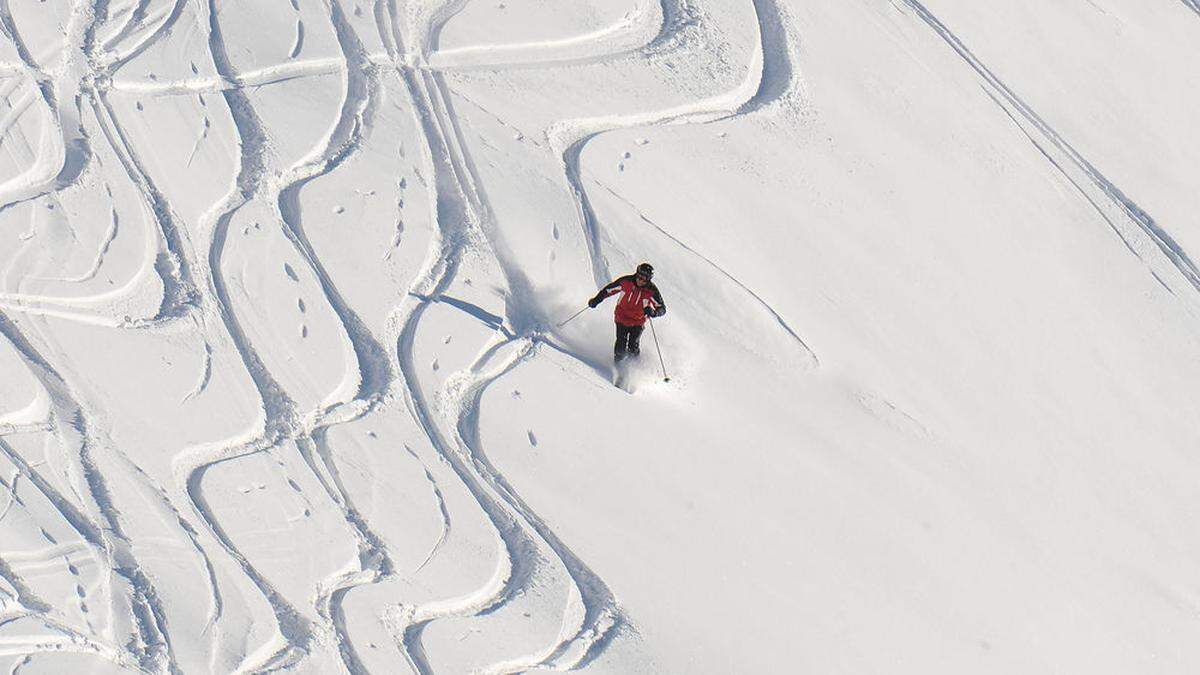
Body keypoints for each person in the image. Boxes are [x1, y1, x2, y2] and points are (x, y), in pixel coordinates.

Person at [588, 262, 666, 362]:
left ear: (648, 279)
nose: (640, 280)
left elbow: (662, 309)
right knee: (621, 343)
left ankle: (634, 368)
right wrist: (596, 300)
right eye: (639, 276)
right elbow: (608, 290)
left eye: (644, 279)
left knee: (633, 346)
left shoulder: (651, 291)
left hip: (638, 321)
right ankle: (618, 368)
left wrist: (653, 312)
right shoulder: (626, 282)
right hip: (622, 316)